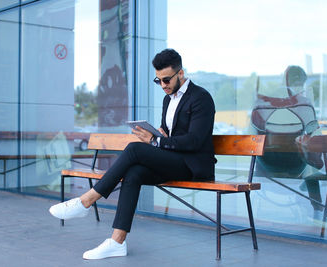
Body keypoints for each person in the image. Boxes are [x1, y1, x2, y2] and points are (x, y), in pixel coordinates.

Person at [49, 48, 216, 260]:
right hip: (174, 160)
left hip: (192, 166)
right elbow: (169, 134)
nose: (163, 85)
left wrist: (156, 140)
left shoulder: (201, 98)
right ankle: (117, 242)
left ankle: (86, 201)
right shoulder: (168, 100)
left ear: (180, 74)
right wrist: (160, 134)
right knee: (134, 173)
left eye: (166, 80)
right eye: (158, 81)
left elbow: (195, 141)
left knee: (135, 149)